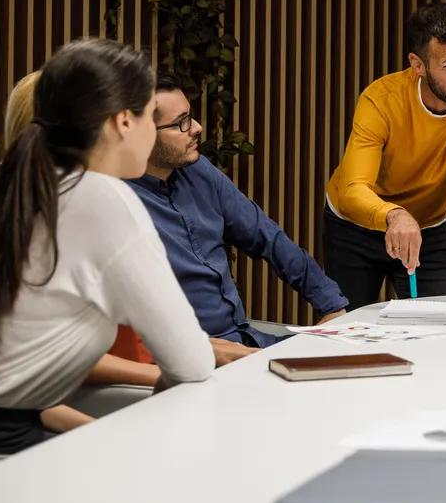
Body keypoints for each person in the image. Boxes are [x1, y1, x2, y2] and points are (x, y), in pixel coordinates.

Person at [0, 38, 214, 455]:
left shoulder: (4, 197)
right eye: (150, 117)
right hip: (0, 452)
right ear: (121, 123)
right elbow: (191, 363)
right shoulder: (103, 199)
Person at [126, 73, 349, 348]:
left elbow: (267, 237)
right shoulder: (117, 205)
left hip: (246, 341)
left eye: (191, 116)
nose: (197, 127)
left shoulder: (198, 170)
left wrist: (331, 305)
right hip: (196, 356)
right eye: (182, 123)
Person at [324, 3, 446, 308]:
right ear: (418, 64)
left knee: (444, 328)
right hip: (355, 227)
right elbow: (352, 189)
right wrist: (393, 215)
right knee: (350, 329)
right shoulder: (380, 100)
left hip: (429, 225)